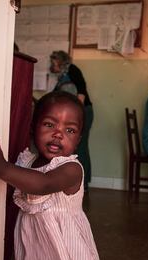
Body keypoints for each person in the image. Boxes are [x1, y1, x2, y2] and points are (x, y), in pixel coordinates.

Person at [0, 92, 103, 260]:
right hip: (34, 242)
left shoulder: (71, 169)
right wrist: (2, 165)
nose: (58, 134)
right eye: (49, 124)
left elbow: (43, 184)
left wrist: (1, 167)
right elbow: (17, 179)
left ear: (78, 140)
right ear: (33, 128)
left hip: (66, 244)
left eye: (69, 130)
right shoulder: (27, 161)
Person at [50, 50, 94, 190]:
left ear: (59, 61)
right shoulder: (62, 77)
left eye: (53, 62)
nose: (52, 65)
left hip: (82, 112)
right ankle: (75, 181)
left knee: (79, 147)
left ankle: (83, 183)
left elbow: (81, 92)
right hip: (75, 115)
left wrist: (77, 116)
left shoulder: (72, 70)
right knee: (74, 147)